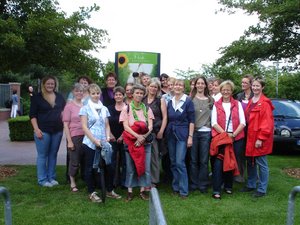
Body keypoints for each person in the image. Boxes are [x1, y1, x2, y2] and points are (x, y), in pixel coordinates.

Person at [80, 84, 120, 202]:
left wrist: (107, 136)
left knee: (109, 166)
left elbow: (107, 125)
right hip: (90, 142)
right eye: (93, 93)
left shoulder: (104, 108)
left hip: (103, 140)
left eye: (97, 93)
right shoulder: (85, 108)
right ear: (89, 94)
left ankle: (109, 190)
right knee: (90, 168)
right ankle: (91, 192)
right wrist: (94, 140)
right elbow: (84, 127)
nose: (96, 95)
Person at [210, 80, 245, 199]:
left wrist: (233, 135)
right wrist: (225, 135)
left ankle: (228, 186)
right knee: (218, 164)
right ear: (221, 91)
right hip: (221, 138)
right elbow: (214, 122)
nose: (226, 92)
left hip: (236, 137)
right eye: (224, 90)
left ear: (231, 91)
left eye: (228, 90)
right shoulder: (216, 104)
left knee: (230, 162)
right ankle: (216, 189)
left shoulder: (237, 104)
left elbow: (243, 122)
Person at [119, 84, 154, 202]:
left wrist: (143, 137)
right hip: (130, 142)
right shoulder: (126, 108)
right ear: (132, 94)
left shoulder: (147, 108)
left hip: (145, 142)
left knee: (145, 167)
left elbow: (151, 126)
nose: (139, 95)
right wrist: (137, 137)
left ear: (143, 95)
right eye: (137, 93)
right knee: (130, 168)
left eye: (141, 93)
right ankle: (129, 192)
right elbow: (125, 126)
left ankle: (142, 190)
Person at [30, 75, 66, 187]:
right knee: (42, 155)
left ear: (55, 85)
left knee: (53, 155)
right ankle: (42, 180)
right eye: (48, 83)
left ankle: (51, 177)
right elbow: (32, 115)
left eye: (52, 83)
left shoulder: (59, 97)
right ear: (44, 84)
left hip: (57, 131)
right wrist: (36, 129)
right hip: (43, 131)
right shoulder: (37, 97)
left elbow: (64, 112)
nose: (50, 85)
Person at [241, 77, 274, 198]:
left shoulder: (265, 103)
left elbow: (267, 123)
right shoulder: (251, 100)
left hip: (259, 137)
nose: (255, 88)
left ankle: (262, 188)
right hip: (250, 136)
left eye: (257, 86)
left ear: (262, 87)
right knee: (251, 162)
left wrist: (261, 138)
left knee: (261, 163)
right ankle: (251, 184)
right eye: (253, 86)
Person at [166, 79, 195, 199]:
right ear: (173, 87)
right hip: (171, 134)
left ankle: (184, 190)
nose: (177, 87)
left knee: (180, 162)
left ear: (183, 88)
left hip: (183, 134)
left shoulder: (188, 101)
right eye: (176, 85)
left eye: (180, 85)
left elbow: (192, 121)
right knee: (173, 162)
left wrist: (190, 136)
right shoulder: (170, 102)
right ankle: (175, 187)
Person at [189, 76, 214, 193]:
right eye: (197, 83)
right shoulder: (190, 99)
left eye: (202, 83)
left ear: (205, 85)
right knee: (194, 160)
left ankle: (203, 184)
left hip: (206, 132)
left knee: (204, 160)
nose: (200, 85)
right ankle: (194, 184)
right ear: (195, 85)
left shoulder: (210, 100)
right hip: (193, 132)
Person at [143, 78, 167, 187]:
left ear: (158, 89)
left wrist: (161, 131)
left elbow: (165, 117)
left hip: (155, 131)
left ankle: (153, 181)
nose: (153, 88)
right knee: (143, 157)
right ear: (147, 87)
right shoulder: (142, 99)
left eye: (155, 87)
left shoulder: (160, 100)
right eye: (151, 86)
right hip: (142, 132)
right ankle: (143, 179)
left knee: (154, 157)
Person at [62, 83, 85, 192]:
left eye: (81, 91)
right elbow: (66, 125)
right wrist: (69, 141)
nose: (79, 93)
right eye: (77, 91)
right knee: (74, 161)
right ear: (73, 92)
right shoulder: (69, 106)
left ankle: (85, 180)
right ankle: (72, 182)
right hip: (74, 136)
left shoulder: (86, 105)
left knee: (85, 160)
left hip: (87, 136)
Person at [234, 74, 254, 182]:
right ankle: (239, 175)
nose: (243, 84)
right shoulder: (239, 96)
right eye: (242, 82)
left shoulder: (254, 97)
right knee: (239, 152)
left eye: (245, 83)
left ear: (250, 84)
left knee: (251, 154)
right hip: (240, 129)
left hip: (251, 128)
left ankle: (252, 177)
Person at [107, 86, 126, 188]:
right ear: (114, 96)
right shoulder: (109, 108)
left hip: (125, 137)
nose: (118, 96)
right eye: (116, 94)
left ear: (124, 96)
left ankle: (124, 183)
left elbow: (129, 124)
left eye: (120, 94)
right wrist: (110, 134)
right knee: (112, 161)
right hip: (112, 138)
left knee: (125, 161)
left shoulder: (128, 108)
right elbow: (106, 123)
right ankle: (114, 182)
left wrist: (122, 136)